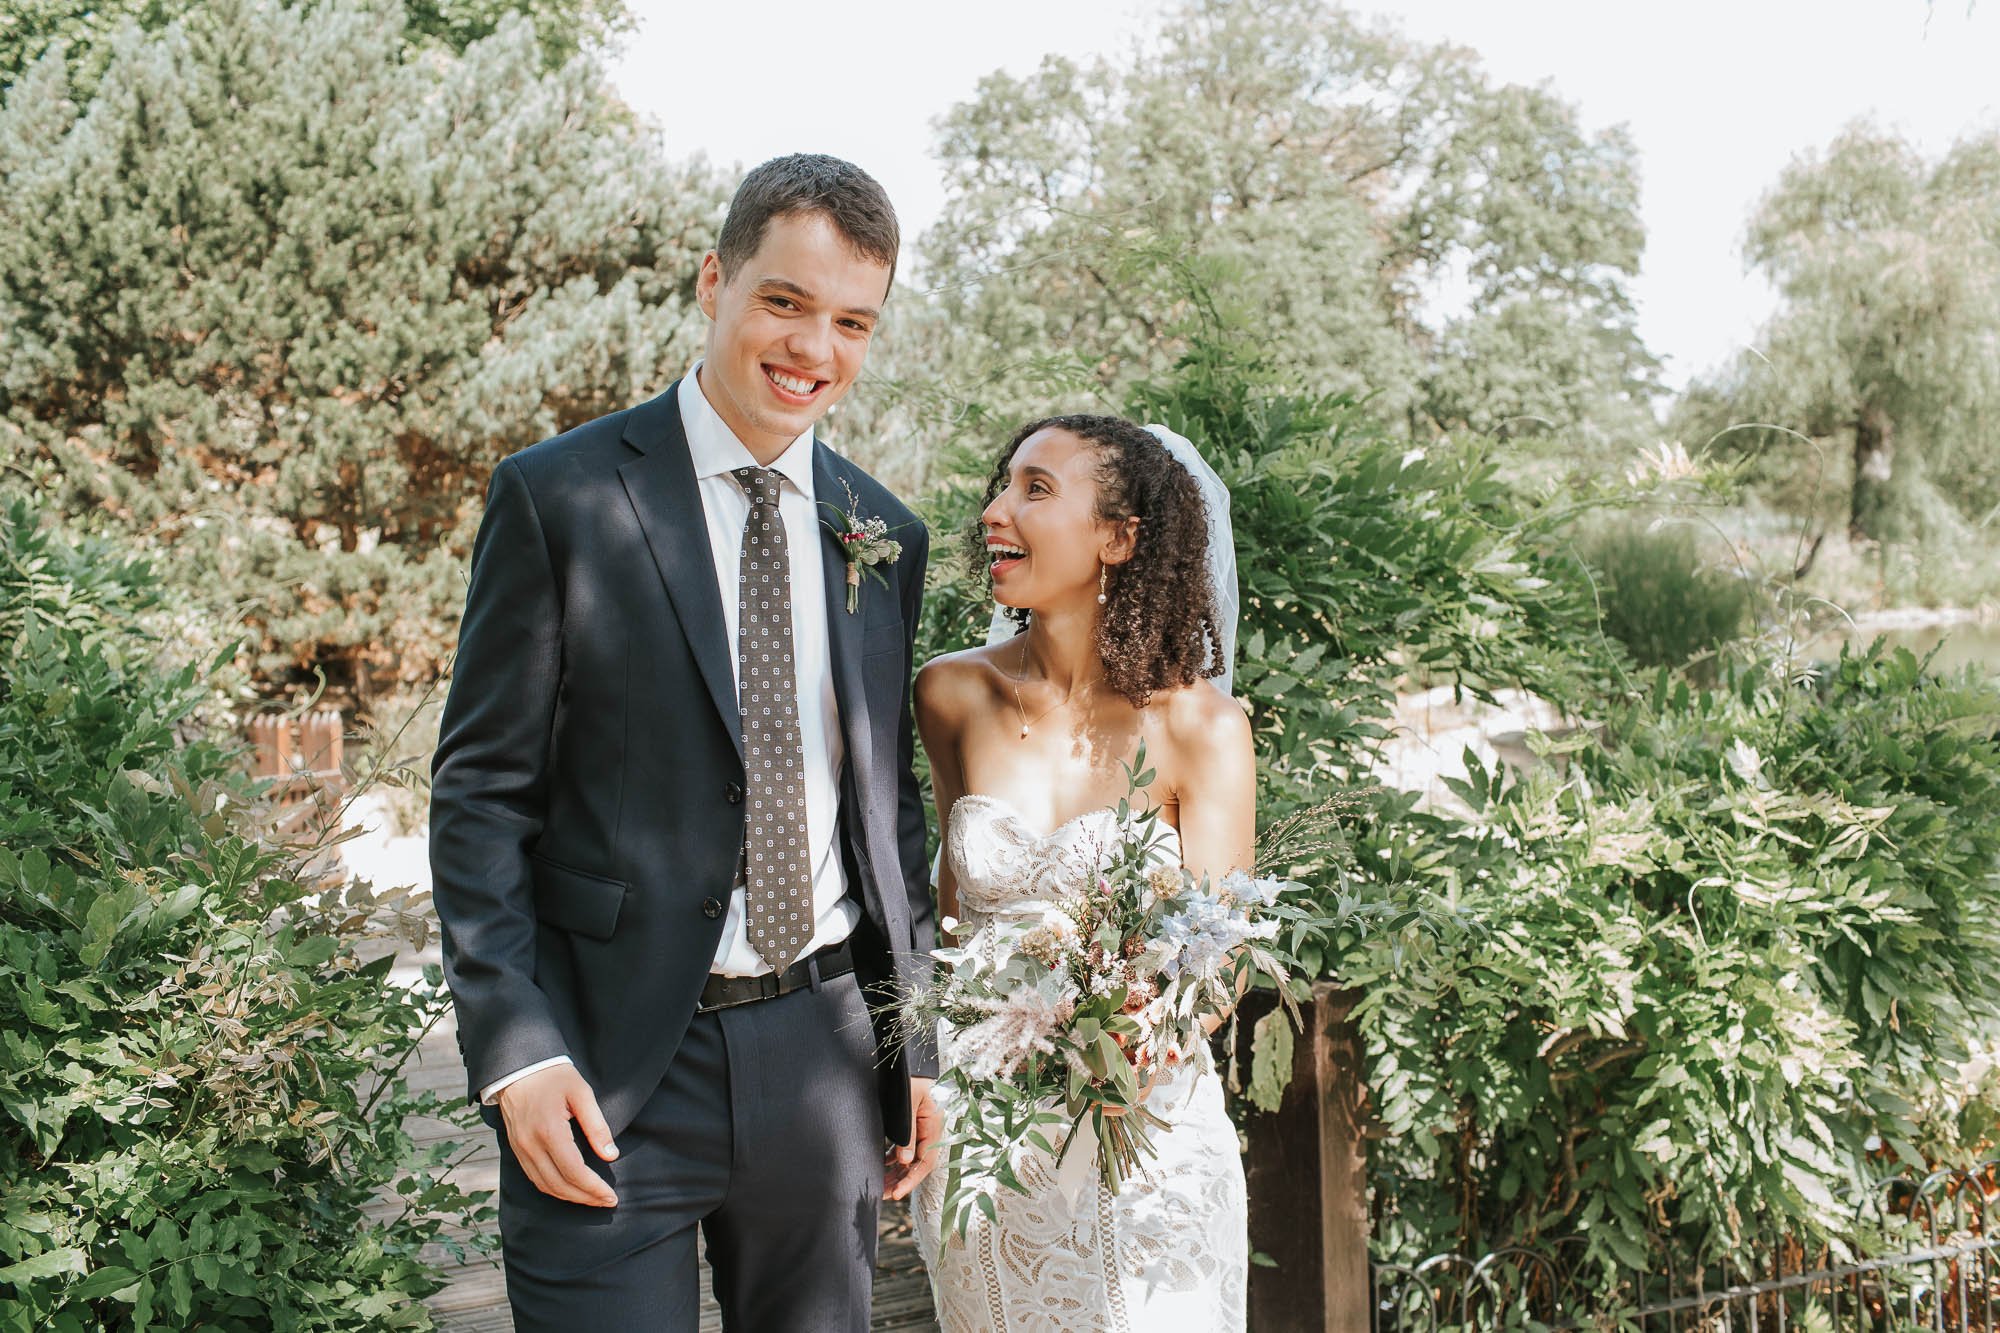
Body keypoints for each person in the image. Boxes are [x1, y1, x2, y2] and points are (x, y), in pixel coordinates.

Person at [428, 153, 943, 1332]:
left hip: (820, 1058)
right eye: (784, 301)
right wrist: (517, 1048)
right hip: (605, 1065)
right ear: (714, 280)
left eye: (851, 322)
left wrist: (912, 1044)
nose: (815, 348)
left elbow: (885, 816)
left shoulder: (881, 533)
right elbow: (481, 796)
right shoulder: (557, 496)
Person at [903, 413, 1253, 1329]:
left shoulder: (1200, 727)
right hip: (989, 1154)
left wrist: (1128, 1029)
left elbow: (1221, 970)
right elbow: (947, 929)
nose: (994, 510)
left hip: (1150, 1146)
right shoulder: (950, 693)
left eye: (1035, 490)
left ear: (1121, 537)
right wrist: (929, 1072)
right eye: (1001, 484)